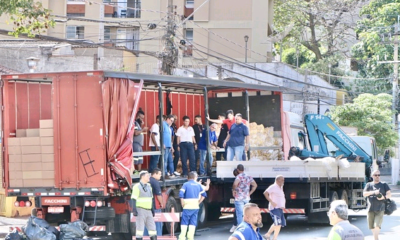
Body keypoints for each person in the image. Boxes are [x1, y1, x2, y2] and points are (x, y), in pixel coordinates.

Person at [363, 170, 391, 240]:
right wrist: (374, 192)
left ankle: (376, 239)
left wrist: (383, 197)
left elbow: (389, 194)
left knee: (377, 226)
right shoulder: (368, 185)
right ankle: (376, 237)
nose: (377, 176)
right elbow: (364, 194)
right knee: (371, 226)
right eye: (376, 175)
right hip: (370, 209)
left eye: (379, 175)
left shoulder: (384, 184)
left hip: (380, 209)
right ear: (372, 176)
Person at [179, 172, 207, 240]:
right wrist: (199, 202)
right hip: (195, 206)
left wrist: (182, 203)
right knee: (193, 222)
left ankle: (182, 237)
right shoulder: (198, 185)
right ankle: (190, 237)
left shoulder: (185, 184)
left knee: (184, 222)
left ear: (187, 178)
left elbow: (181, 194)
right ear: (195, 177)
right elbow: (204, 195)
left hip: (187, 206)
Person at [131, 171, 157, 240]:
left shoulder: (149, 186)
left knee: (152, 229)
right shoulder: (137, 186)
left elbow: (151, 199)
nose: (149, 177)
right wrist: (134, 210)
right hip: (140, 210)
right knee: (140, 230)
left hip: (148, 211)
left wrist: (152, 209)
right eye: (147, 176)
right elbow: (133, 199)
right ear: (142, 177)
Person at [263, 175, 286, 240]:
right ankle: (268, 234)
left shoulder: (280, 187)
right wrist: (271, 201)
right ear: (277, 180)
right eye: (282, 180)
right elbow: (265, 193)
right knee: (277, 223)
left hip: (280, 208)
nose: (283, 181)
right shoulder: (273, 187)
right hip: (274, 208)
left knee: (279, 224)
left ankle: (273, 238)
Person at [144, 168, 164, 236]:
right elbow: (158, 195)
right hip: (154, 206)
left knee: (146, 224)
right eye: (159, 174)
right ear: (154, 174)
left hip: (145, 206)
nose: (160, 176)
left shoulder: (146, 181)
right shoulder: (155, 182)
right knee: (157, 223)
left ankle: (145, 237)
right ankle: (158, 237)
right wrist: (161, 203)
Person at [132, 108, 148, 175]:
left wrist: (141, 126)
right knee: (135, 159)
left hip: (139, 145)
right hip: (135, 144)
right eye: (141, 118)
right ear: (138, 117)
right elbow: (135, 133)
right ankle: (134, 172)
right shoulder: (134, 123)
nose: (142, 120)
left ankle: (139, 172)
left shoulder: (138, 124)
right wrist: (143, 129)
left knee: (140, 159)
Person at [230, 168, 239, 233]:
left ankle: (236, 225)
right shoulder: (246, 177)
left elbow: (234, 186)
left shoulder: (237, 179)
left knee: (237, 212)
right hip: (246, 197)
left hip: (238, 198)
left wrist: (233, 191)